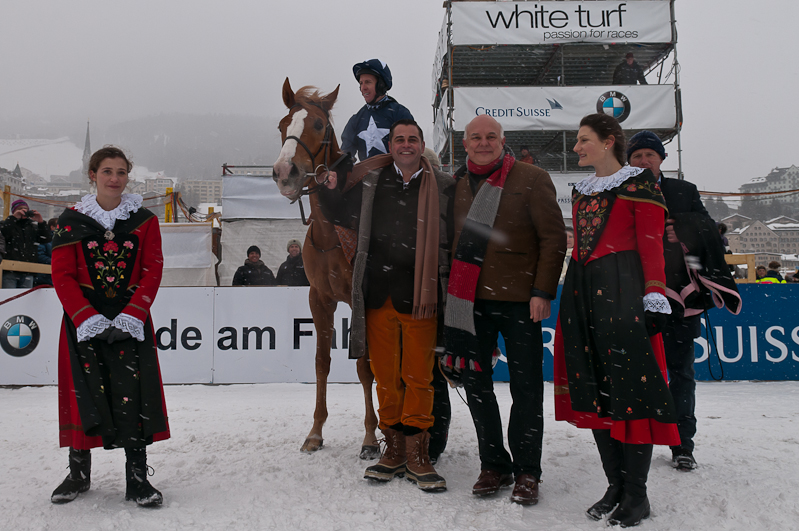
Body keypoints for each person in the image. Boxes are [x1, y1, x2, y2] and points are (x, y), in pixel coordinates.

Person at [554, 114, 678, 527]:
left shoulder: (640, 183)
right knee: (595, 389)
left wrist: (655, 293)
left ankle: (636, 494)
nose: (577, 148)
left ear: (608, 141)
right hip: (584, 291)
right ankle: (615, 485)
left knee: (632, 393)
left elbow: (651, 243)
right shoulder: (582, 191)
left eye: (583, 140)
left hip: (624, 291)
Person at [321, 119, 455, 491]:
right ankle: (393, 449)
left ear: (422, 144)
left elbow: (457, 236)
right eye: (400, 140)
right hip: (377, 295)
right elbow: (338, 215)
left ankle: (419, 454)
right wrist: (329, 190)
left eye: (413, 139)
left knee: (419, 378)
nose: (406, 145)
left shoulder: (444, 186)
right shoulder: (371, 184)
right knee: (385, 379)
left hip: (422, 296)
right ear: (391, 146)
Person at [443, 114, 566, 506]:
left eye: (490, 136)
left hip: (520, 303)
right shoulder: (456, 185)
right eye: (475, 137)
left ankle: (528, 470)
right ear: (465, 143)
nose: (483, 143)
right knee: (477, 388)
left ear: (503, 140)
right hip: (469, 303)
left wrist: (543, 290)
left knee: (526, 388)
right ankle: (493, 463)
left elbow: (553, 239)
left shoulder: (531, 178)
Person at [50, 146, 169, 506]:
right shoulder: (70, 221)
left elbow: (153, 268)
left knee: (135, 397)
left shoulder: (144, 220)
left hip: (131, 322)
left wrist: (133, 314)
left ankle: (137, 478)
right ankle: (78, 473)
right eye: (107, 171)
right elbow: (62, 275)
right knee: (83, 394)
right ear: (93, 175)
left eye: (121, 172)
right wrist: (86, 318)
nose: (114, 179)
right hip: (82, 322)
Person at [627, 130, 709, 472]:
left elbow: (712, 231)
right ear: (628, 162)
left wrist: (687, 230)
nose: (644, 161)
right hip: (633, 295)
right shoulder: (621, 190)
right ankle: (636, 440)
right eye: (637, 156)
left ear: (662, 159)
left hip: (679, 297)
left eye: (650, 155)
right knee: (635, 373)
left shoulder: (684, 191)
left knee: (681, 372)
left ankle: (681, 443)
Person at [340, 59, 414, 162]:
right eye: (361, 83)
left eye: (368, 82)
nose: (363, 88)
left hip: (397, 176)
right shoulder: (356, 120)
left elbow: (411, 152)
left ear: (381, 85)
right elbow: (344, 156)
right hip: (366, 177)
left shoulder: (400, 114)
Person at [0, 199, 51, 288]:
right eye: (20, 209)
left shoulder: (32, 226)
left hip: (28, 270)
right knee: (10, 298)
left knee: (25, 299)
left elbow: (45, 239)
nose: (24, 211)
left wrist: (41, 222)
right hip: (10, 270)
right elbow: (5, 233)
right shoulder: (7, 223)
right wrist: (14, 218)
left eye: (26, 209)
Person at [34, 218, 58, 286]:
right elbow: (40, 255)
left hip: (56, 277)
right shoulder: (46, 239)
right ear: (52, 227)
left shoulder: (64, 242)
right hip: (45, 278)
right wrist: (55, 262)